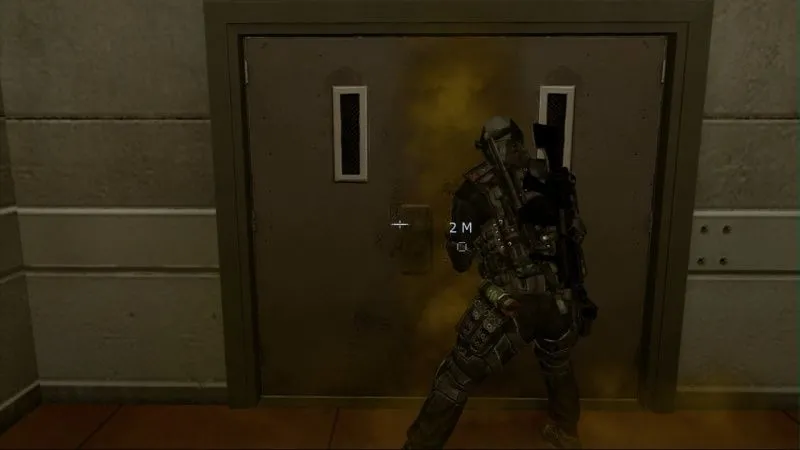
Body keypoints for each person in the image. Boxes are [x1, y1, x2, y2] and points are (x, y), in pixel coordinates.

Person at [403, 116, 596, 449]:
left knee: (455, 378)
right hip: (557, 299)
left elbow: (461, 258)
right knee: (557, 362)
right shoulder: (550, 177)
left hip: (510, 302)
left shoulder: (471, 191)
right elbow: (574, 235)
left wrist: (456, 236)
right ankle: (565, 431)